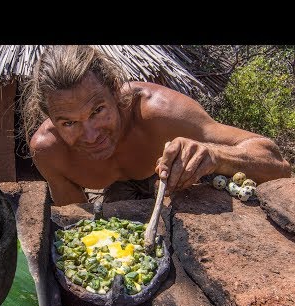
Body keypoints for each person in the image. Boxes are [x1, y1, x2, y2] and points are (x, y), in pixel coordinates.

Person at [20, 45, 292, 206]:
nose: (91, 136)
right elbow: (75, 225)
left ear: (116, 92)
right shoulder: (49, 151)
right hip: (116, 198)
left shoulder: (161, 114)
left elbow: (276, 164)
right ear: (51, 119)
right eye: (69, 123)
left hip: (177, 187)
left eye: (98, 110)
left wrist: (215, 155)